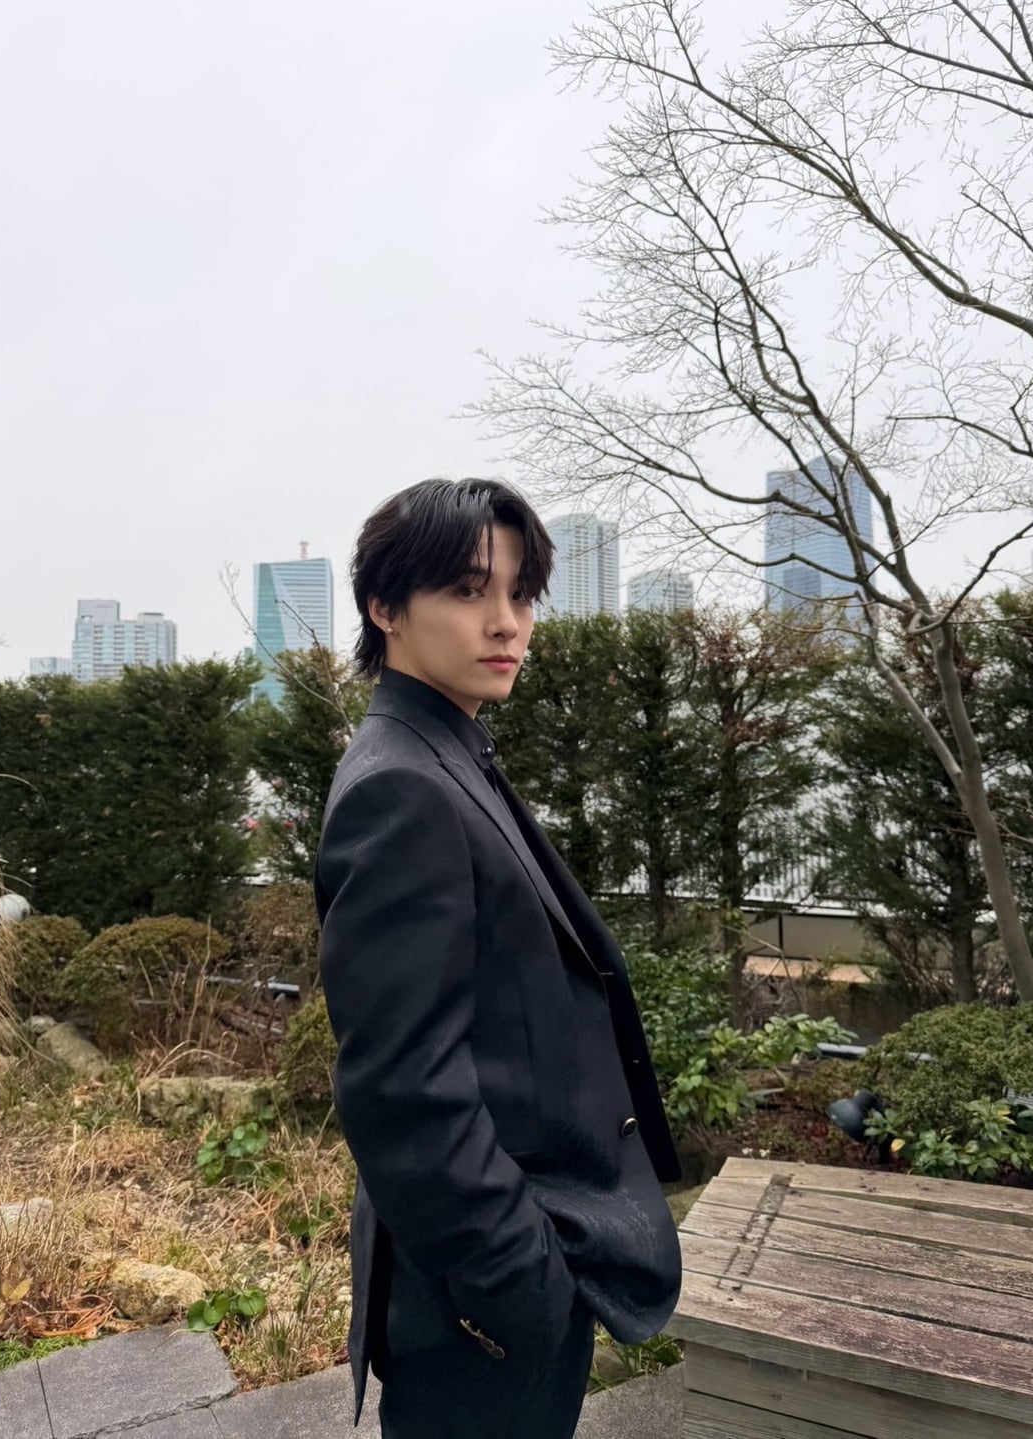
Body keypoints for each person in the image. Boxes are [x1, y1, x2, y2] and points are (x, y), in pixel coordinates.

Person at [314, 478, 682, 1439]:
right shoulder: (402, 787)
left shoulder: (445, 746)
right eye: (470, 590)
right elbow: (401, 1089)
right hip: (480, 1303)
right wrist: (524, 1282)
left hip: (503, 1272)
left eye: (522, 594)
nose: (507, 621)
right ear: (385, 607)